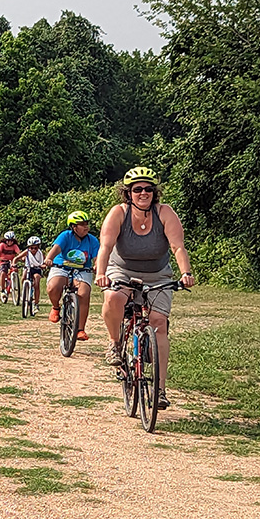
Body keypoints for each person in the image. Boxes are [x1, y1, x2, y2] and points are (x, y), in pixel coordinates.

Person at [94, 166, 195, 410]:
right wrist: (100, 273)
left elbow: (177, 247)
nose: (143, 193)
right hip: (122, 269)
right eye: (137, 189)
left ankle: (159, 390)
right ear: (127, 193)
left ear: (154, 192)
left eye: (148, 189)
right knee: (114, 298)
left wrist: (186, 273)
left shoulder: (165, 213)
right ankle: (115, 343)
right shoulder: (119, 213)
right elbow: (105, 247)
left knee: (159, 323)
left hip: (157, 273)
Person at [43, 211, 100, 341]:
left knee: (84, 294)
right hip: (62, 266)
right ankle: (55, 307)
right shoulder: (65, 236)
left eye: (87, 224)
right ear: (74, 227)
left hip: (83, 269)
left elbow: (97, 257)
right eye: (82, 224)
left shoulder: (92, 240)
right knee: (54, 286)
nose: (86, 227)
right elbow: (56, 248)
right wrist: (49, 259)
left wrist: (97, 265)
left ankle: (80, 329)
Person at [14, 236, 44, 312]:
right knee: (23, 277)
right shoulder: (27, 252)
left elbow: (44, 262)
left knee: (37, 281)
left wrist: (44, 265)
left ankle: (36, 303)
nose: (33, 250)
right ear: (29, 248)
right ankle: (24, 292)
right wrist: (14, 263)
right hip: (28, 268)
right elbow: (16, 258)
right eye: (31, 248)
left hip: (37, 269)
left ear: (38, 247)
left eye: (35, 248)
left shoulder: (40, 254)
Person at [0, 231, 21, 303]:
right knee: (3, 273)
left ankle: (14, 281)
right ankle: (2, 289)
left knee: (15, 269)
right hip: (2, 261)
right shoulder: (2, 245)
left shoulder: (15, 246)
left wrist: (22, 258)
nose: (10, 242)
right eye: (8, 240)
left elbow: (19, 253)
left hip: (11, 262)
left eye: (11, 240)